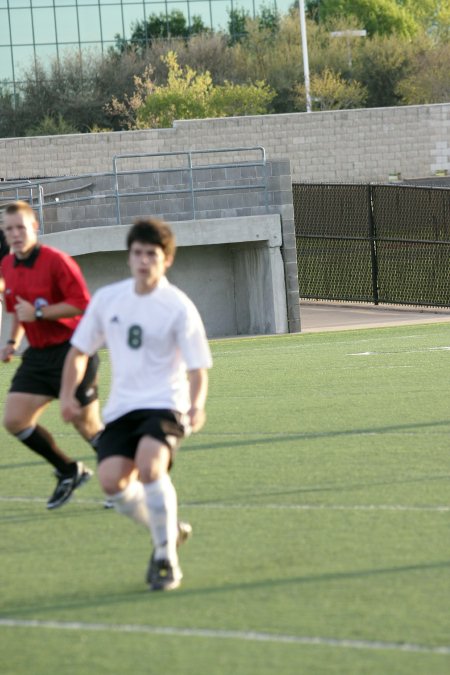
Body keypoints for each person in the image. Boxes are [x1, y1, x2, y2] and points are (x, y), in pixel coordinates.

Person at [60, 217, 212, 591]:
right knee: (112, 482)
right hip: (123, 408)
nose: (143, 261)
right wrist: (66, 394)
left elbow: (198, 368)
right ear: (129, 257)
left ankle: (166, 558)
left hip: (166, 404)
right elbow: (79, 351)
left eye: (151, 254)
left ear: (167, 259)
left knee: (150, 465)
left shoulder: (178, 306)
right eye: (137, 253)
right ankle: (168, 529)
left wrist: (196, 405)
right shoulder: (109, 299)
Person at [0, 200, 103, 509]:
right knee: (15, 420)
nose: (15, 234)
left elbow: (83, 304)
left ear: (35, 227)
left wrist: (41, 312)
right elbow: (19, 311)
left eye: (20, 227)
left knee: (87, 426)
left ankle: (126, 480)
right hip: (39, 356)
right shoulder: (7, 265)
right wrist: (12, 342)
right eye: (9, 230)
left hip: (74, 351)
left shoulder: (57, 261)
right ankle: (69, 470)